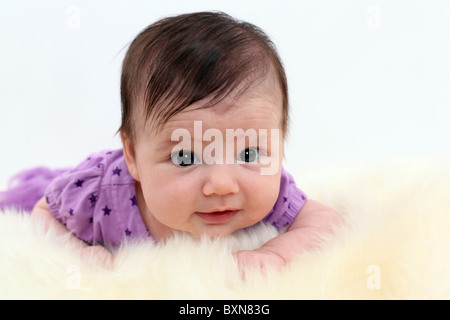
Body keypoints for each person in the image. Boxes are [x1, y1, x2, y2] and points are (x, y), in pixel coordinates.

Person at [0, 11, 340, 270]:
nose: (221, 185)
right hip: (99, 182)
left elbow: (325, 221)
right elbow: (44, 211)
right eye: (185, 158)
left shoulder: (271, 189)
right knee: (32, 192)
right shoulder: (97, 196)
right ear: (132, 155)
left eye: (249, 152)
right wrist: (78, 251)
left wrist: (277, 253)